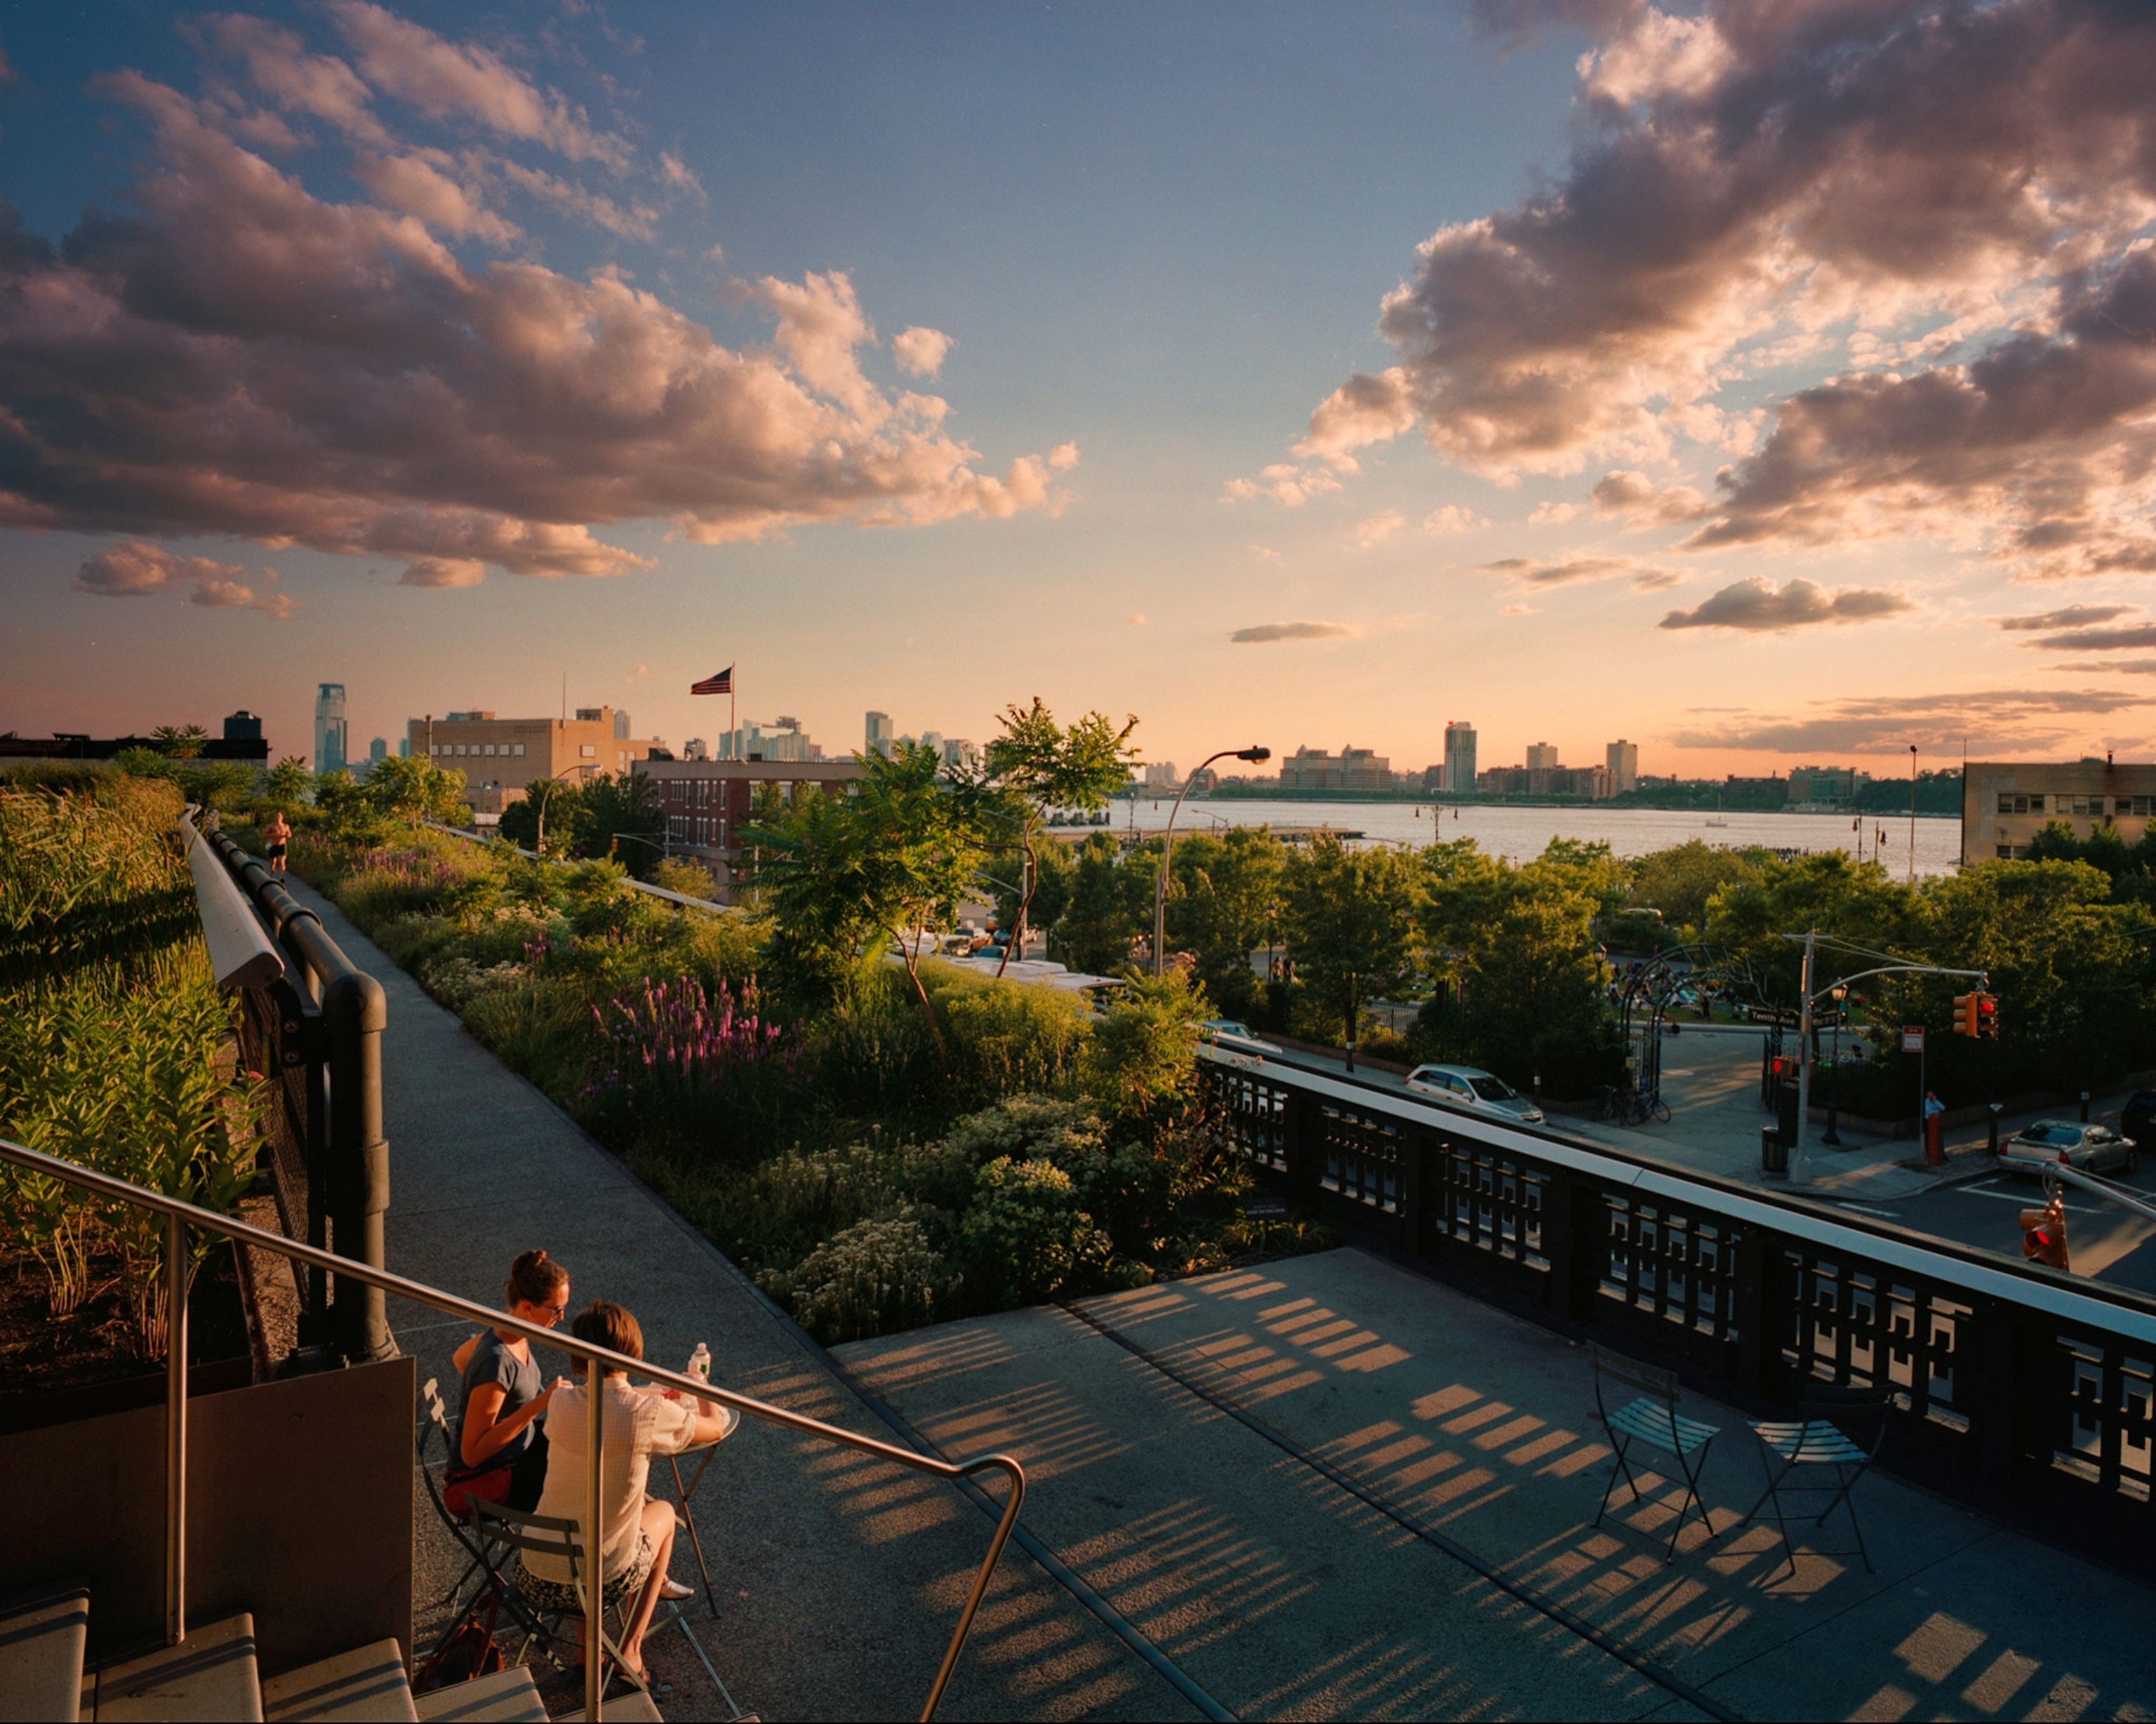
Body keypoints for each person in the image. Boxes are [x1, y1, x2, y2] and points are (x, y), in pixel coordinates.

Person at [520, 1302, 734, 1686]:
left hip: (535, 1571)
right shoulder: (646, 1413)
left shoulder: (561, 1402)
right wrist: (698, 1387)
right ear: (633, 1353)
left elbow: (604, 1398)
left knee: (582, 1520)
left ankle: (588, 1649)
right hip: (605, 1578)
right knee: (665, 1512)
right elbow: (715, 1427)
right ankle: (630, 1649)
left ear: (577, 1355)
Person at [446, 1250, 573, 1516]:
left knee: (584, 1448)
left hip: (517, 1452)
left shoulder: (509, 1331)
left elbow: (461, 1358)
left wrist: (494, 1399)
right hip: (493, 1478)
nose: (561, 1318)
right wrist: (538, 1404)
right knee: (585, 1485)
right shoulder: (497, 1361)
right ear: (527, 1307)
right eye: (556, 1310)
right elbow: (472, 1454)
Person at [263, 810, 292, 875]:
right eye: (276, 816)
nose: (277, 818)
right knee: (273, 861)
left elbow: (290, 834)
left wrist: (286, 835)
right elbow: (264, 835)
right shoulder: (271, 826)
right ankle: (272, 871)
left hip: (282, 845)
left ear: (282, 817)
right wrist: (272, 835)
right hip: (273, 845)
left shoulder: (286, 826)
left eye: (278, 816)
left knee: (281, 861)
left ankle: (281, 878)